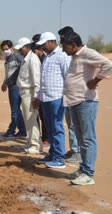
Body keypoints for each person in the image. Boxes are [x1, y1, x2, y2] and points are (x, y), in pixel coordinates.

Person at [62, 32, 112, 185]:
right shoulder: (74, 56)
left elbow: (109, 64)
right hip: (73, 102)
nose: (64, 50)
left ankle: (88, 174)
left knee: (88, 138)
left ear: (74, 45)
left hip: (86, 102)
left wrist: (96, 80)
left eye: (65, 47)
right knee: (81, 138)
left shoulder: (88, 53)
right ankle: (83, 169)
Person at [33, 32, 70, 168]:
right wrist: (39, 96)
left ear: (51, 42)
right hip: (46, 98)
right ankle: (53, 154)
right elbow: (44, 80)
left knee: (57, 127)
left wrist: (66, 97)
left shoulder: (62, 55)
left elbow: (67, 77)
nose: (42, 47)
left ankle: (60, 158)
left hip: (57, 98)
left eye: (43, 44)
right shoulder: (47, 57)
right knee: (49, 128)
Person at [14, 37, 42, 154]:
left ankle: (35, 145)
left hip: (30, 92)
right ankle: (30, 142)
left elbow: (37, 79)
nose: (20, 51)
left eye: (21, 49)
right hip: (24, 92)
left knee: (31, 119)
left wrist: (36, 96)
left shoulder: (33, 59)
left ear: (27, 47)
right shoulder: (25, 58)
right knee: (27, 119)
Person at [58, 26, 81, 163]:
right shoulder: (68, 55)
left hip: (74, 96)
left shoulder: (75, 56)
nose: (62, 44)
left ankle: (77, 151)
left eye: (62, 40)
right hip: (66, 94)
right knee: (70, 124)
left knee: (74, 125)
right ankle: (73, 149)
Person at [0, 40, 26, 139]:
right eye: (3, 50)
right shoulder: (7, 59)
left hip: (17, 87)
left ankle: (11, 130)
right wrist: (4, 83)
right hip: (10, 86)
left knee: (14, 110)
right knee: (16, 110)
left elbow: (22, 70)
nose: (5, 51)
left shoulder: (18, 57)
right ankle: (23, 130)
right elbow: (7, 73)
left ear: (12, 48)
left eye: (7, 49)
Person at [31, 35, 49, 147]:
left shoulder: (45, 59)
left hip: (44, 92)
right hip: (37, 92)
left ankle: (46, 138)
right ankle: (38, 136)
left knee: (44, 117)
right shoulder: (35, 59)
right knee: (36, 116)